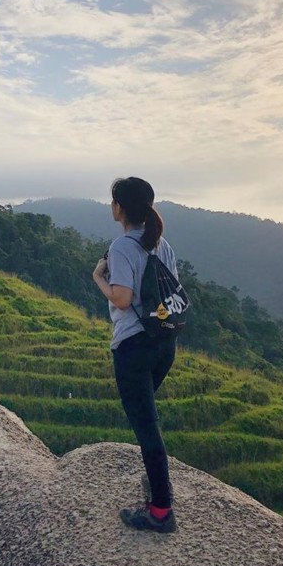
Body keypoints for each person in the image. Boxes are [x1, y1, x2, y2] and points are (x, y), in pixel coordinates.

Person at [92, 176, 179, 533]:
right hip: (164, 344)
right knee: (148, 419)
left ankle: (161, 510)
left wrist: (98, 277)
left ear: (120, 208)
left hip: (134, 347)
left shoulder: (122, 247)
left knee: (146, 426)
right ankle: (157, 486)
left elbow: (123, 299)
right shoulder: (163, 244)